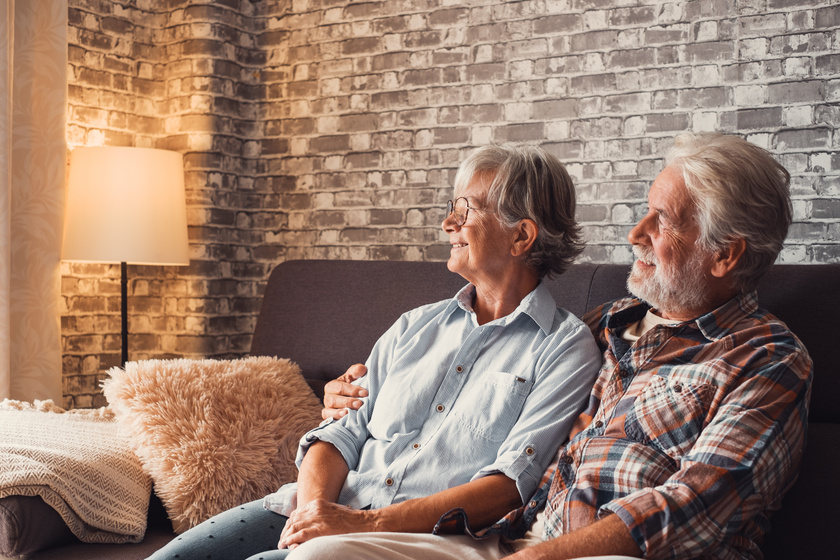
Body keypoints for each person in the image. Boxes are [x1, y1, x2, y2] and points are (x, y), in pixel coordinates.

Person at [306, 132, 813, 560]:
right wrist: (357, 388)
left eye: (662, 220)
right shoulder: (610, 325)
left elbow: (694, 506)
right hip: (511, 538)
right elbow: (495, 360)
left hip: (608, 555)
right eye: (645, 212)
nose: (636, 233)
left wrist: (539, 556)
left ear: (724, 255)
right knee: (322, 553)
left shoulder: (766, 359)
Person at [146, 144, 602, 560]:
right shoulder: (415, 325)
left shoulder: (564, 347)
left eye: (466, 211)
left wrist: (355, 526)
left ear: (521, 237)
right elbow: (341, 434)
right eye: (452, 208)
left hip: (424, 538)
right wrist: (317, 515)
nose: (448, 224)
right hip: (327, 508)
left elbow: (507, 488)